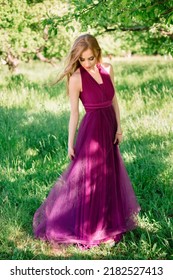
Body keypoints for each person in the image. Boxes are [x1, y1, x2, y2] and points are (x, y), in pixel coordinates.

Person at [33, 34, 140, 249]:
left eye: (90, 58)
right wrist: (70, 143)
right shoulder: (76, 79)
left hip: (109, 128)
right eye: (82, 59)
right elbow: (74, 113)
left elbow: (114, 99)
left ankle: (107, 224)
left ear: (97, 53)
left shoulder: (108, 69)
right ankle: (90, 229)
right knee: (91, 179)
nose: (87, 63)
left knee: (108, 175)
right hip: (91, 132)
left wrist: (119, 126)